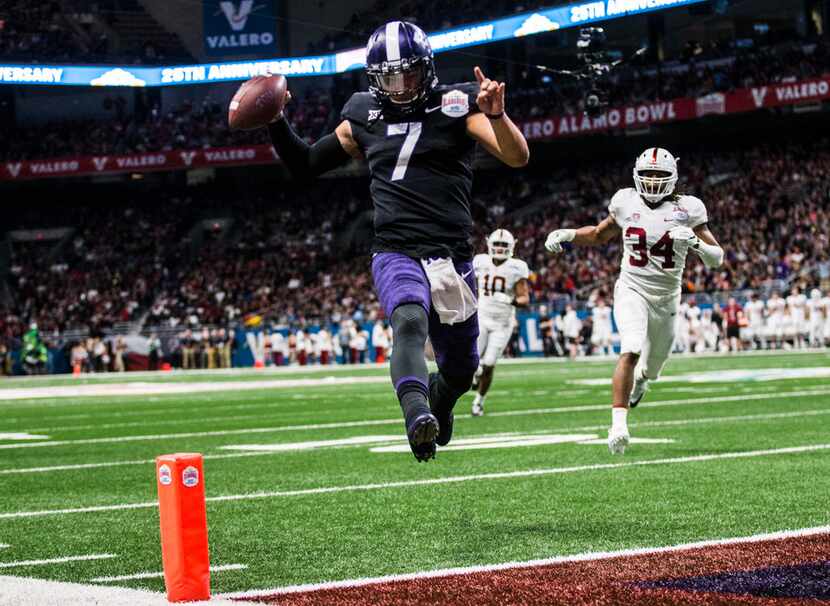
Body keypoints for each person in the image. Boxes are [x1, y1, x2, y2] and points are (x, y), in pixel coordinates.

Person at [265, 21, 529, 461]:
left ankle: (439, 400)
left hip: (450, 253)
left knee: (462, 370)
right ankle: (415, 413)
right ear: (374, 78)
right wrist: (276, 121)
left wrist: (497, 115)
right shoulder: (364, 113)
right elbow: (307, 163)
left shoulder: (457, 103)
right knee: (408, 321)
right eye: (389, 77)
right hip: (395, 248)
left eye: (407, 74)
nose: (400, 86)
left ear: (426, 69)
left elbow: (517, 156)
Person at [545, 147, 723, 454]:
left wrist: (694, 242)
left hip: (667, 297)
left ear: (673, 177)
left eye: (660, 175)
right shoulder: (625, 201)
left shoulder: (689, 208)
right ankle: (618, 425)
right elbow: (600, 235)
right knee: (631, 348)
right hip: (632, 288)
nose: (653, 181)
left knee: (653, 367)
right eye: (648, 175)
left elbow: (717, 259)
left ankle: (642, 381)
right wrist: (569, 233)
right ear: (637, 177)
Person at [470, 229, 530, 416]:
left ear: (511, 247)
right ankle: (474, 374)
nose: (500, 248)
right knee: (473, 361)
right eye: (497, 244)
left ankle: (479, 401)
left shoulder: (517, 267)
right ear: (488, 244)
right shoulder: (480, 261)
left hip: (503, 323)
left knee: (489, 364)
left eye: (504, 245)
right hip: (481, 316)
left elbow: (524, 299)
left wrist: (510, 300)